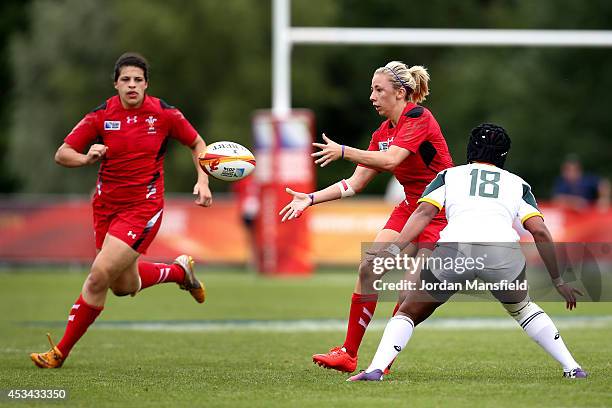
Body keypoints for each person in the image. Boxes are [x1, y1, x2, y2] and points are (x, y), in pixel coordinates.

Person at [348, 123, 587, 381]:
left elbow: (423, 213)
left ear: (471, 148)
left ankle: (375, 369)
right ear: (503, 155)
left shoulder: (449, 176)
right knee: (523, 308)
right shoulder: (518, 184)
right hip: (502, 255)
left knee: (407, 311)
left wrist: (394, 249)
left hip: (455, 252)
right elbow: (539, 231)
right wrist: (558, 280)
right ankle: (572, 367)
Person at [30, 52, 212, 368]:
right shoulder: (101, 116)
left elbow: (198, 144)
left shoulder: (164, 114)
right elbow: (63, 154)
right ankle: (179, 271)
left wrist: (203, 180)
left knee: (98, 276)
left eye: (137, 80)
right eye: (125, 79)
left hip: (143, 208)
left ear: (146, 85)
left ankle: (59, 353)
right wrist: (86, 158)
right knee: (121, 286)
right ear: (115, 84)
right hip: (105, 209)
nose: (131, 85)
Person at [280, 61, 454, 373]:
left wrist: (345, 150)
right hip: (411, 207)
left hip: (441, 212)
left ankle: (383, 362)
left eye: (379, 90)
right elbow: (355, 184)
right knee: (369, 266)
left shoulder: (418, 116)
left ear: (400, 93)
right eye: (371, 90)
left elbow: (391, 160)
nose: (372, 96)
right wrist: (310, 198)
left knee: (408, 294)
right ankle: (348, 354)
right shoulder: (382, 133)